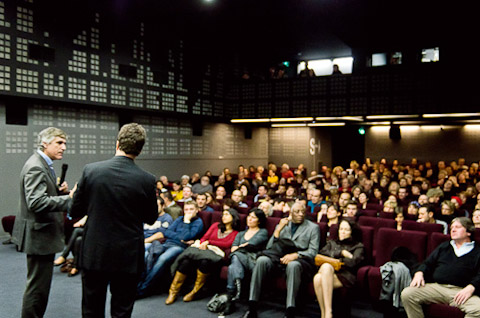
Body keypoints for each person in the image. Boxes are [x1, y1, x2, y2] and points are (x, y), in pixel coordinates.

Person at [70, 123, 158, 317]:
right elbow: (151, 218)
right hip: (128, 255)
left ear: (117, 144)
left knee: (91, 309)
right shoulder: (147, 180)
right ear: (140, 149)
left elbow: (75, 210)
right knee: (122, 311)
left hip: (95, 251)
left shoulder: (91, 171)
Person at [12, 127, 74, 318]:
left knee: (39, 287)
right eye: (59, 143)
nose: (63, 147)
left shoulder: (42, 163)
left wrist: (58, 191)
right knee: (37, 289)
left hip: (42, 234)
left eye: (64, 143)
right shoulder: (36, 166)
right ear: (45, 143)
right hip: (40, 236)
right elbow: (36, 202)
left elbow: (41, 194)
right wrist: (70, 199)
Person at [241, 202, 320, 318]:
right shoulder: (284, 224)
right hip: (279, 256)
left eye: (303, 212)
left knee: (293, 265)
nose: (301, 214)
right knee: (261, 260)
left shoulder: (313, 228)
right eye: (297, 212)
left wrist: (296, 255)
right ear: (290, 213)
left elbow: (313, 251)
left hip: (300, 259)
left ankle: (290, 310)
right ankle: (252, 306)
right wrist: (278, 229)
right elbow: (269, 247)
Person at [401, 217, 480, 317]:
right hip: (438, 287)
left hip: (461, 290)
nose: (453, 230)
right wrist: (419, 273)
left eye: (457, 227)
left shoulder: (477, 251)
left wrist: (471, 287)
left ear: (469, 232)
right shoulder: (444, 247)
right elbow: (427, 263)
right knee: (407, 294)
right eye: (451, 228)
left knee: (478, 309)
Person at [166, 208, 240, 304]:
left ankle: (195, 291)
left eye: (227, 214)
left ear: (233, 217)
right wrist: (204, 242)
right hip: (202, 251)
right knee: (186, 261)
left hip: (215, 255)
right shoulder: (215, 226)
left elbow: (227, 244)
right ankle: (173, 291)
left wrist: (209, 242)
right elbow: (203, 238)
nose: (223, 217)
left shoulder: (235, 233)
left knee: (205, 261)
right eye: (223, 214)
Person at [136, 201, 204, 298]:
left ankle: (143, 290)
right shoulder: (179, 219)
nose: (188, 212)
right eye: (186, 209)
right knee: (146, 255)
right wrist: (181, 237)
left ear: (197, 210)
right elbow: (167, 232)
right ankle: (138, 285)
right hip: (166, 243)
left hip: (179, 247)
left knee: (162, 259)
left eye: (191, 209)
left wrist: (187, 222)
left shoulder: (198, 222)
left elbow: (186, 236)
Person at [313, 219, 365, 318]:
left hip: (346, 276)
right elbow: (321, 254)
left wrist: (334, 261)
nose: (343, 232)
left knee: (321, 274)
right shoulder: (332, 243)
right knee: (322, 272)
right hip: (327, 273)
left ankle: (326, 313)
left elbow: (353, 262)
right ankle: (326, 313)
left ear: (352, 232)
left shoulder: (358, 246)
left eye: (346, 229)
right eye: (341, 229)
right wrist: (341, 253)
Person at [227, 208, 269, 300]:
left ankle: (233, 290)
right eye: (249, 216)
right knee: (234, 260)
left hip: (253, 260)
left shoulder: (263, 232)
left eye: (253, 217)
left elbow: (250, 245)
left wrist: (240, 247)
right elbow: (233, 248)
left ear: (259, 221)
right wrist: (241, 247)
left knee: (235, 256)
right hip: (240, 260)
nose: (249, 219)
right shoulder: (241, 233)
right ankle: (234, 289)